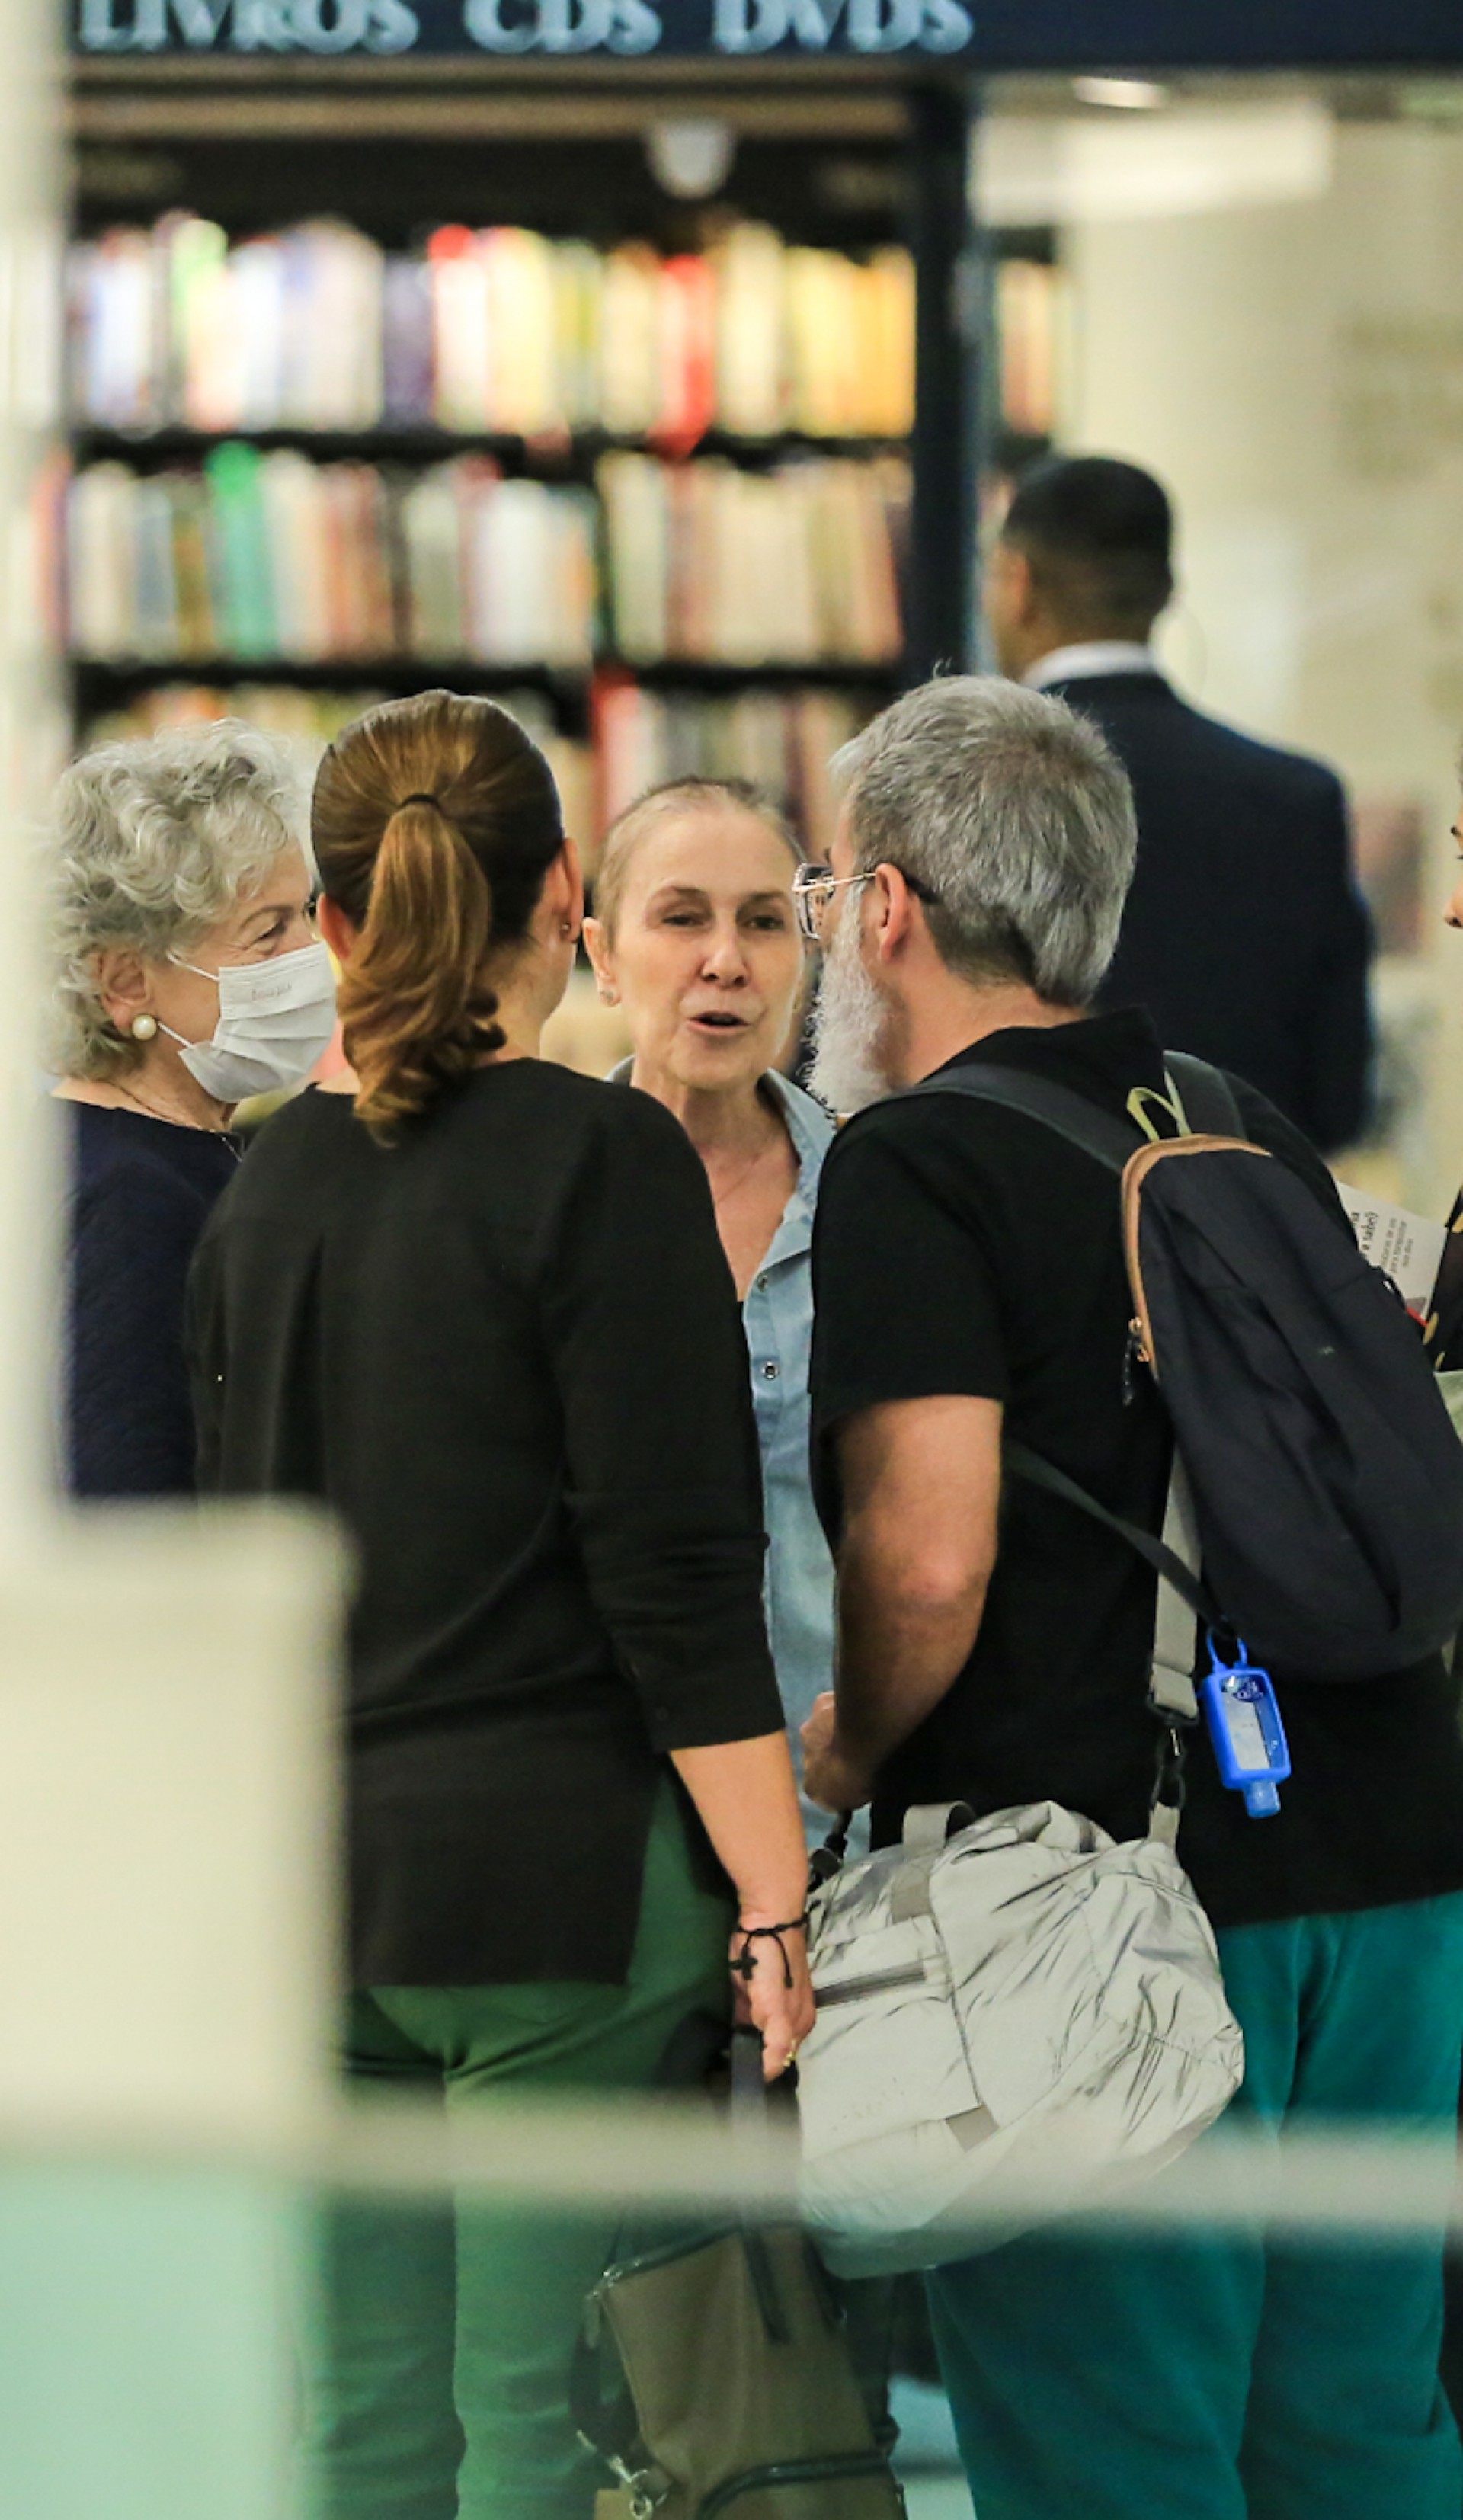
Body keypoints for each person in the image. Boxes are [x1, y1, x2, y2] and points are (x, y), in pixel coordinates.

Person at [797, 673, 1463, 2520]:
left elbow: (928, 1551)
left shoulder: (914, 1158)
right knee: (1361, 2436)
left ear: (888, 907)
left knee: (1115, 2452)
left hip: (1120, 1911)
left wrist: (843, 1747)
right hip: (1395, 1856)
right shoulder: (1234, 1113)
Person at [186, 691, 814, 2520]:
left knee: (360, 2428)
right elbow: (680, 1576)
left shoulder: (259, 1189)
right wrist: (775, 1898)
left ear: (330, 918)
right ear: (568, 895)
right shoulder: (602, 1162)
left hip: (322, 1884)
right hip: (559, 1891)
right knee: (532, 2432)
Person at [984, 453, 1372, 1154]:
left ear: (1017, 583)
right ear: (1167, 593)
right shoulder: (1299, 800)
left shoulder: (964, 792)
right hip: (1248, 1242)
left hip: (1022, 1231)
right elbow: (1338, 1098)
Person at [582, 776, 837, 1840]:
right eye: (682, 916)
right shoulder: (540, 1211)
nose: (725, 959)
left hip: (849, 1826)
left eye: (765, 922)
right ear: (601, 956)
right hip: (616, 1836)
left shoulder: (887, 1202)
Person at [46, 720, 329, 1497]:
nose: (313, 953)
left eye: (304, 910)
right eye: (269, 932)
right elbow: (132, 1509)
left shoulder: (117, 1150)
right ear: (126, 983)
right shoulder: (133, 1201)